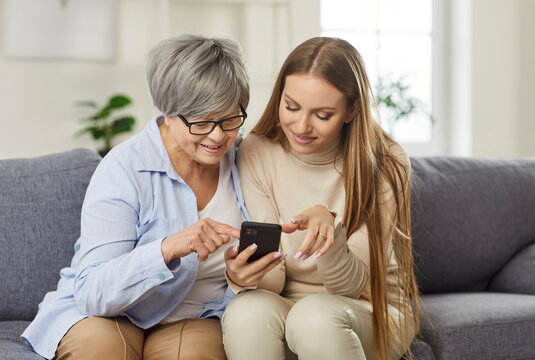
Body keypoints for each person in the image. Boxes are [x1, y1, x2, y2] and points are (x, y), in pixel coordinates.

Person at [21, 34, 282, 360]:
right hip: (113, 312)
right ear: (167, 112)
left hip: (198, 314)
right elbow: (93, 292)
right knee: (102, 349)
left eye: (230, 118)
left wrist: (242, 279)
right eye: (201, 122)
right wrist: (168, 248)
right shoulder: (125, 167)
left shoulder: (248, 158)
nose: (218, 136)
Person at [222, 37, 420, 360]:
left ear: (352, 109)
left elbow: (352, 285)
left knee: (314, 319)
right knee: (246, 313)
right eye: (291, 106)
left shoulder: (387, 162)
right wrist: (243, 275)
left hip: (369, 306)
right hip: (286, 303)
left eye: (323, 114)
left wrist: (331, 231)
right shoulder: (255, 151)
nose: (301, 126)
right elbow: (274, 278)